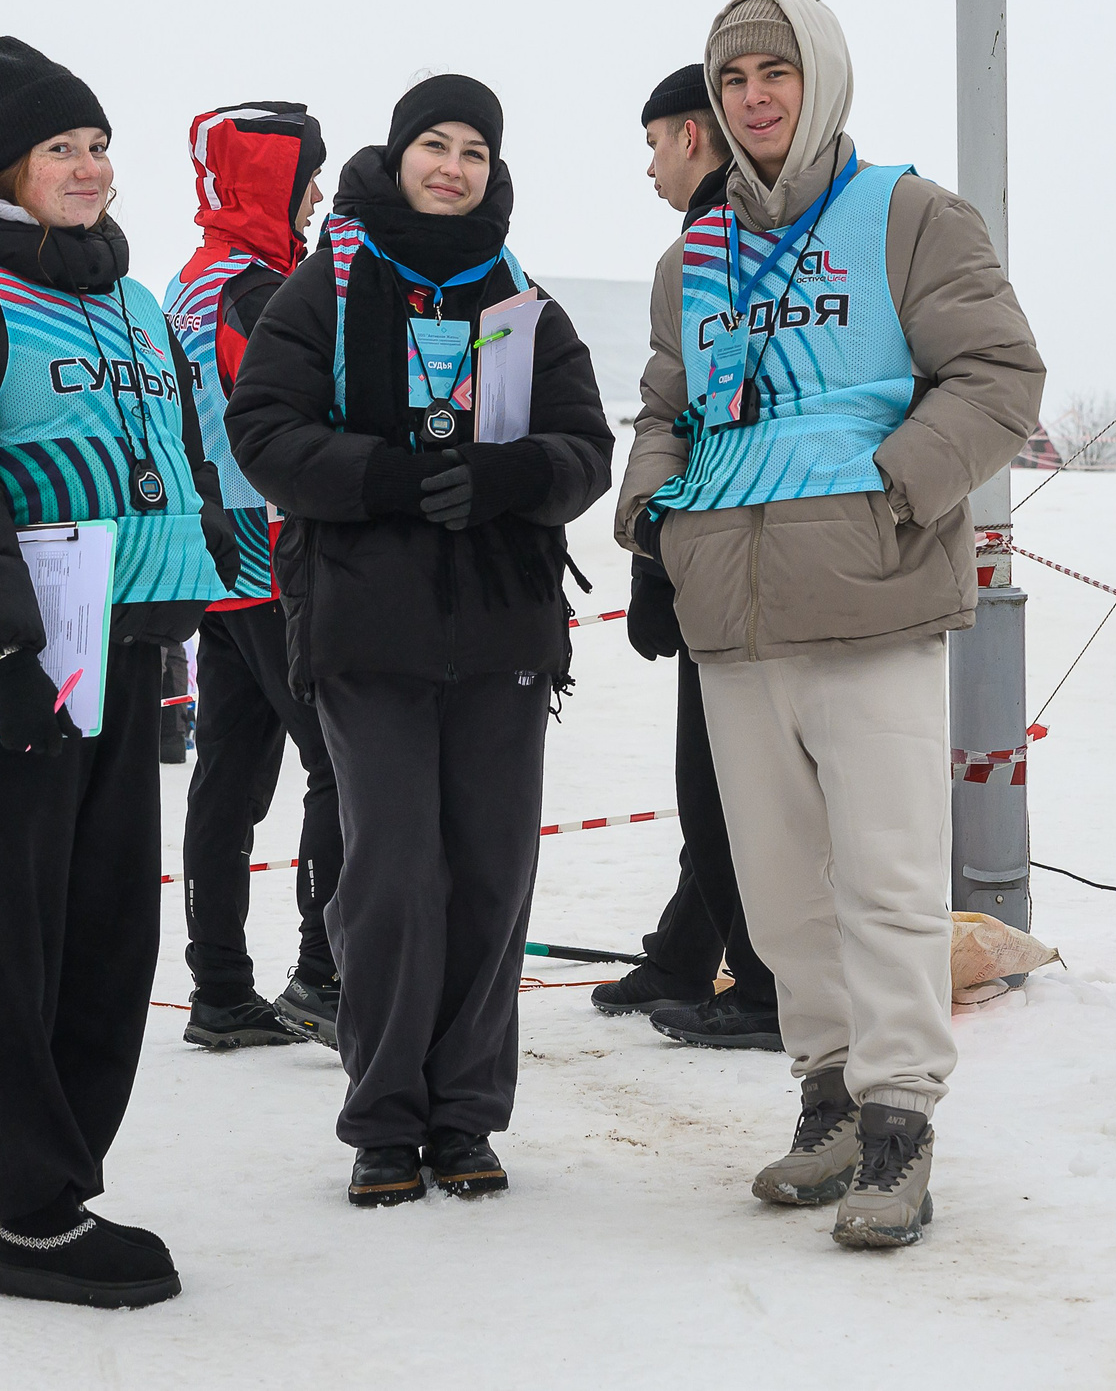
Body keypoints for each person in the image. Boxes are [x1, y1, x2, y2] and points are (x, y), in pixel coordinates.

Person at [615, 0, 1043, 1249]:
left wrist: (898, 492)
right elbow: (663, 405)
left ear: (822, 81)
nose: (753, 94)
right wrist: (654, 518)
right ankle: (828, 1102)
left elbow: (999, 374)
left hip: (871, 605)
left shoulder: (906, 215)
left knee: (890, 880)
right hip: (736, 620)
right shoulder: (689, 257)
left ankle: (900, 1116)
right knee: (781, 892)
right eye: (734, 75)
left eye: (776, 71)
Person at [0, 35, 236, 1309]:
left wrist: (208, 583)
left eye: (96, 147)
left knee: (107, 932)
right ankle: (29, 1216)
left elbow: (182, 455)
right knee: (6, 936)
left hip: (123, 648)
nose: (86, 169)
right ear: (4, 173)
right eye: (57, 151)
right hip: (12, 662)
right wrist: (2, 646)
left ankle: (65, 1182)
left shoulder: (133, 303)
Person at [225, 74, 612, 1209]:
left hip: (502, 632)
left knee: (491, 875)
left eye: (475, 153)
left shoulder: (518, 298)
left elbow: (583, 442)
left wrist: (513, 477)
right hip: (366, 629)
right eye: (433, 145)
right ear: (394, 157)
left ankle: (465, 1115)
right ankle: (386, 1116)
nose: (453, 166)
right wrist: (380, 477)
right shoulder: (327, 286)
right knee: (392, 876)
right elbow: (263, 433)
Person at [590, 66, 783, 1049]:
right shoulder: (709, 248)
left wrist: (662, 550)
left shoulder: (729, 251)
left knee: (723, 786)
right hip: (714, 550)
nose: (651, 168)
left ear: (694, 140)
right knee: (715, 777)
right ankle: (686, 948)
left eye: (656, 144)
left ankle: (762, 988)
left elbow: (712, 412)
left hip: (748, 561)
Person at [161, 100, 347, 1051]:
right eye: (305, 174)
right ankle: (323, 972)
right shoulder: (259, 285)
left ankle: (219, 988)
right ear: (271, 180)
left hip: (214, 562)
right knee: (339, 768)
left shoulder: (190, 279)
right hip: (271, 556)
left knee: (226, 781)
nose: (315, 191)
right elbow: (302, 406)